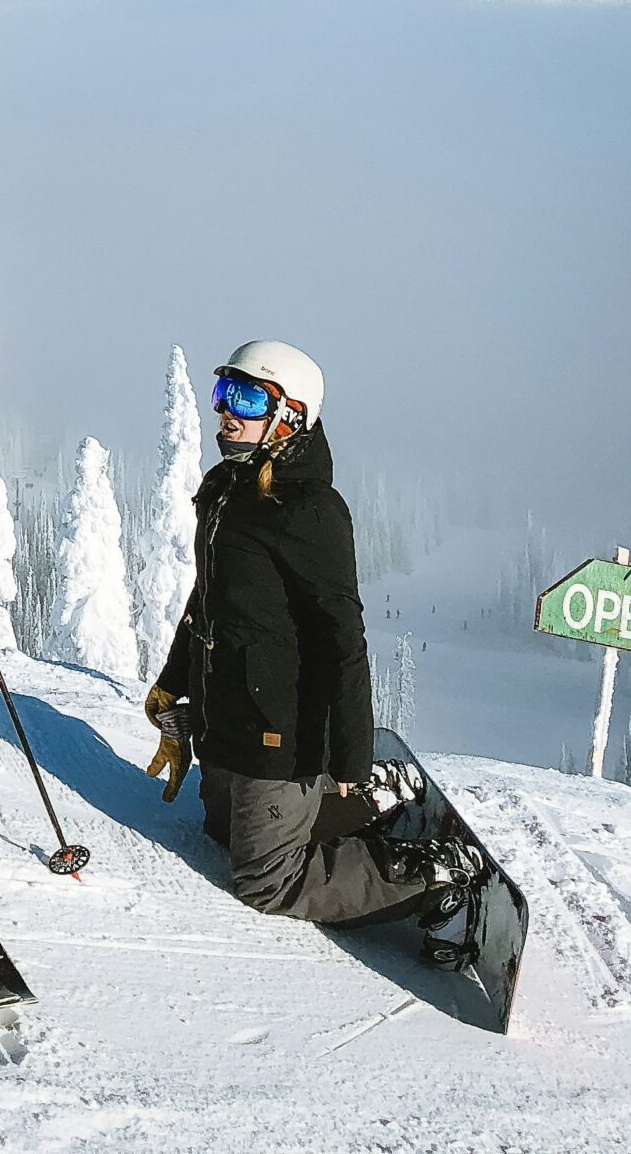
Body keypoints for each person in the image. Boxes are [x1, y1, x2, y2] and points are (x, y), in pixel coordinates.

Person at [144, 340, 479, 961]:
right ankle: (361, 806)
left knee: (265, 880)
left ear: (290, 415)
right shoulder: (225, 488)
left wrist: (348, 762)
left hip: (282, 733)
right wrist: (173, 683)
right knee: (220, 829)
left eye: (245, 398)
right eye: (222, 393)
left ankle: (431, 874)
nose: (226, 412)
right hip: (230, 717)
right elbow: (206, 601)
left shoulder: (311, 510)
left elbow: (342, 642)